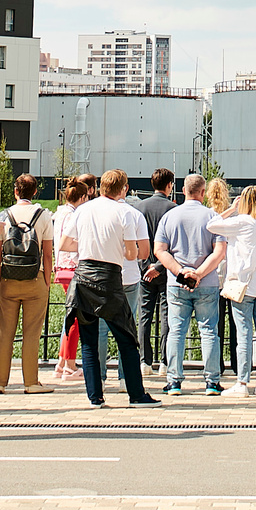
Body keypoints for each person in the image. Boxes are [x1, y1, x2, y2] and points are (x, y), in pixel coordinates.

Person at [69, 169, 159, 407]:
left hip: (83, 275)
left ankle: (95, 396)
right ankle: (136, 394)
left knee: (89, 341)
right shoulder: (124, 213)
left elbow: (66, 243)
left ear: (100, 188)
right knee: (127, 337)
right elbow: (132, 253)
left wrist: (90, 243)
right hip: (109, 277)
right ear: (124, 189)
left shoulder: (83, 209)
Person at [206, 183, 256, 397]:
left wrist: (231, 208)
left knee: (244, 333)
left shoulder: (241, 222)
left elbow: (212, 225)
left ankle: (242, 382)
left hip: (242, 286)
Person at [155, 174, 224, 395]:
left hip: (177, 284)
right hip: (207, 283)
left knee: (176, 331)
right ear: (203, 192)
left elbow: (160, 250)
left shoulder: (170, 216)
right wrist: (199, 274)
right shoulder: (213, 217)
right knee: (209, 331)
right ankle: (212, 381)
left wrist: (180, 272)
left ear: (183, 190)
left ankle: (174, 380)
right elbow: (219, 252)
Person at [0, 173, 53, 394]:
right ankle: (31, 382)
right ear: (35, 192)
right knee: (32, 333)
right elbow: (47, 254)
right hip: (35, 279)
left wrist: (0, 281)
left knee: (4, 333)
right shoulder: (43, 216)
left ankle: (0, 382)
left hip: (8, 279)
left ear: (15, 191)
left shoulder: (3, 215)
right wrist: (47, 281)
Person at [134, 168, 180, 376]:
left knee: (144, 315)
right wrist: (160, 267)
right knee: (166, 315)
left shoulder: (139, 208)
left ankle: (144, 361)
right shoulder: (173, 209)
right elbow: (176, 243)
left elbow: (135, 241)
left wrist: (146, 267)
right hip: (167, 268)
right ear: (169, 185)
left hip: (143, 270)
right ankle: (164, 361)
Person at [51, 174, 93, 384]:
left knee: (71, 316)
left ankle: (62, 362)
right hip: (73, 267)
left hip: (61, 267)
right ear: (83, 197)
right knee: (75, 318)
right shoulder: (75, 215)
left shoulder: (60, 213)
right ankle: (69, 363)